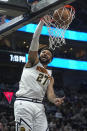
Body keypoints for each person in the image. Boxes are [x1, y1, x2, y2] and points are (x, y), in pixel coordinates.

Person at [14, 17, 65, 131]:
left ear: (50, 60)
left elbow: (50, 94)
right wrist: (41, 22)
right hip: (24, 103)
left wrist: (54, 100)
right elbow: (35, 39)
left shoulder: (50, 75)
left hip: (39, 106)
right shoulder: (32, 62)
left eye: (48, 54)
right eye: (43, 52)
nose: (44, 54)